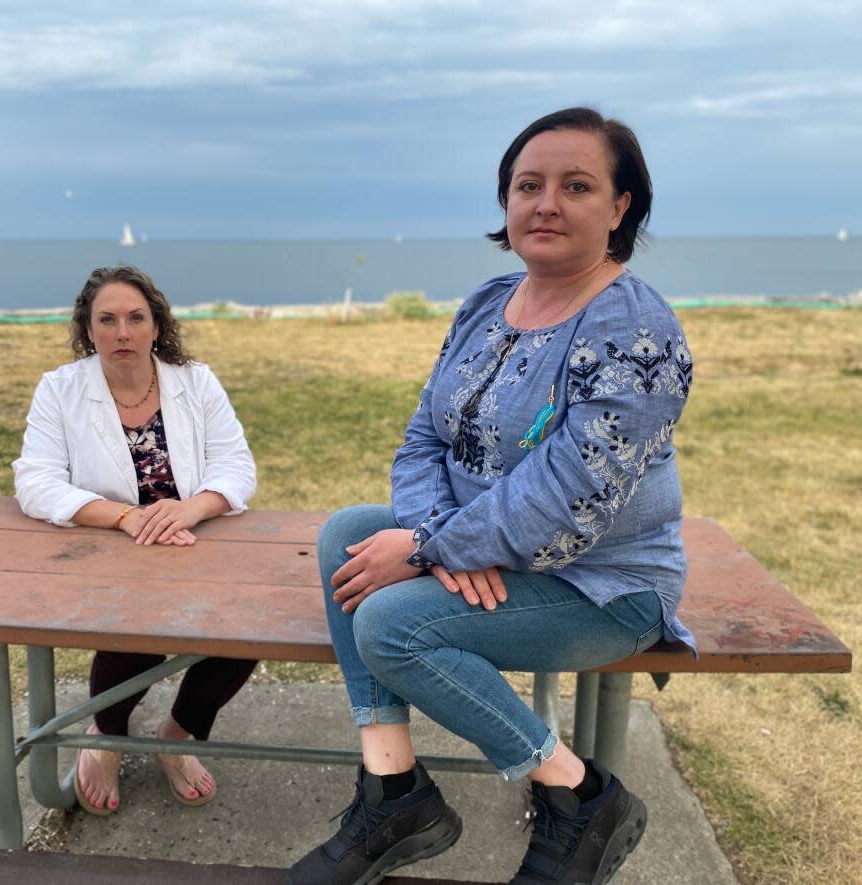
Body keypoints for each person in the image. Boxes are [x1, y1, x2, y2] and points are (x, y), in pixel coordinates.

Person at [291, 107, 695, 885]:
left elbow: (572, 499)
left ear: (620, 209)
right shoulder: (488, 303)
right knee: (348, 533)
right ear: (505, 202)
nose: (545, 203)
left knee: (391, 626)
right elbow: (422, 441)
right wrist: (439, 537)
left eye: (576, 186)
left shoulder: (634, 327)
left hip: (600, 583)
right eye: (527, 185)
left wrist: (427, 550)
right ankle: (395, 788)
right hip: (484, 552)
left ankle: (581, 798)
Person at [13, 265, 258, 815]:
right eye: (107, 320)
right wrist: (125, 517)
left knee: (248, 628)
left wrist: (190, 509)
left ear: (155, 325)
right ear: (89, 329)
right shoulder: (61, 388)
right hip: (112, 549)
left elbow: (237, 466)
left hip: (191, 542)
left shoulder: (196, 381)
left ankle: (176, 737)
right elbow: (34, 481)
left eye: (134, 318)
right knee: (138, 633)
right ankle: (107, 738)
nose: (122, 332)